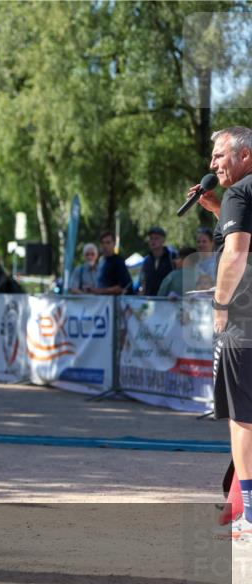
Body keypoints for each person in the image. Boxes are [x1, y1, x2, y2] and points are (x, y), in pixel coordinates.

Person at [189, 125, 252, 540]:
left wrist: (221, 305)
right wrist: (218, 210)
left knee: (242, 417)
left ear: (245, 156)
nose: (212, 163)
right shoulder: (234, 198)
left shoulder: (240, 192)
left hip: (245, 323)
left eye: (219, 155)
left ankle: (248, 513)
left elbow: (236, 253)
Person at [138, 226, 177, 295]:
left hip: (168, 299)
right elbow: (143, 282)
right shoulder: (147, 260)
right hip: (150, 299)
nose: (153, 241)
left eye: (156, 238)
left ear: (163, 240)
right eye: (151, 238)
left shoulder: (172, 257)